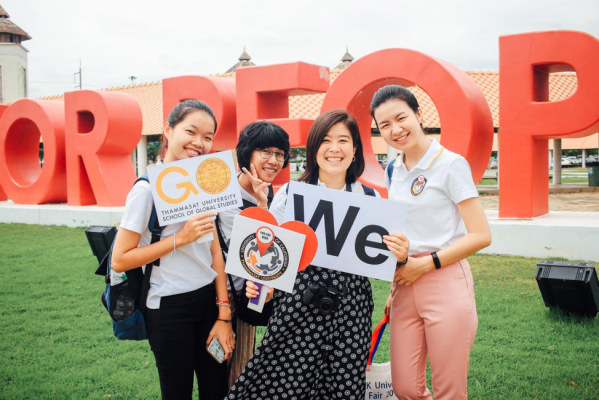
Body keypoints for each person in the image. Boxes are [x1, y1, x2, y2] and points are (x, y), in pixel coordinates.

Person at [226, 110, 405, 400]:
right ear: (313, 149)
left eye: (343, 140)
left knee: (342, 387)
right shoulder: (290, 194)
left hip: (352, 310)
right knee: (283, 385)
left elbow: (387, 259)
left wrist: (402, 254)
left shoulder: (372, 200)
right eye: (325, 140)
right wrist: (264, 287)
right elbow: (270, 255)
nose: (334, 148)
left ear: (355, 149)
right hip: (296, 307)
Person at [370, 85, 492, 400]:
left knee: (448, 391)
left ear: (419, 115)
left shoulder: (450, 164)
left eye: (401, 118)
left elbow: (481, 235)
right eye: (385, 125)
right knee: (405, 388)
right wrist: (397, 282)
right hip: (405, 285)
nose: (395, 130)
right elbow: (401, 230)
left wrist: (425, 265)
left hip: (445, 278)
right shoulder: (393, 169)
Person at [111, 100, 235, 400]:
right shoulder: (146, 190)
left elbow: (215, 253)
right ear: (168, 130)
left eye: (207, 137)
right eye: (191, 132)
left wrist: (223, 314)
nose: (199, 143)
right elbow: (120, 260)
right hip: (167, 309)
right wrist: (181, 238)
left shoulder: (206, 182)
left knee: (216, 390)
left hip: (209, 303)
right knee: (176, 393)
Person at [215, 121, 290, 388]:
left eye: (279, 154)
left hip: (251, 297)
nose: (274, 160)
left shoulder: (271, 195)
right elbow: (258, 250)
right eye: (265, 152)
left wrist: (264, 203)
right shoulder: (225, 198)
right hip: (224, 298)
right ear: (247, 153)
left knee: (241, 371)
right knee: (219, 370)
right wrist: (262, 206)